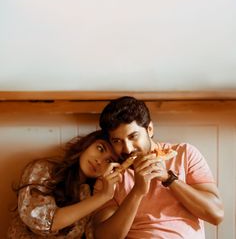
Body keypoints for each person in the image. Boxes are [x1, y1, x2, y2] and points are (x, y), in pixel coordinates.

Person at [93, 96, 224, 239]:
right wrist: (137, 192)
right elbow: (104, 237)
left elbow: (216, 215)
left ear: (149, 129)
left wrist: (169, 178)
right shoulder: (110, 177)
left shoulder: (184, 154)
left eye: (133, 136)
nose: (127, 148)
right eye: (117, 141)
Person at [7, 130, 121, 239]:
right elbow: (42, 221)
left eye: (109, 161)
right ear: (87, 144)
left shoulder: (89, 194)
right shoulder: (43, 169)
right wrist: (103, 196)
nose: (99, 161)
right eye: (100, 148)